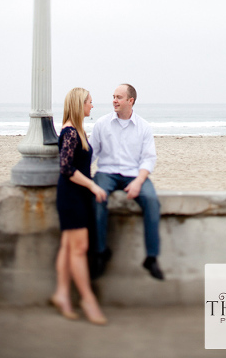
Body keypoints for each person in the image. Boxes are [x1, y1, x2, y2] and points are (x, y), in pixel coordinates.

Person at [90, 83, 164, 280]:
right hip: (106, 172)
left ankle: (151, 257)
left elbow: (149, 158)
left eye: (119, 97)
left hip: (134, 174)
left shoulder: (144, 127)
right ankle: (99, 252)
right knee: (97, 198)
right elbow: (91, 153)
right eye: (113, 96)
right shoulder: (102, 124)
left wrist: (139, 182)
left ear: (130, 101)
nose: (114, 100)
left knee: (151, 200)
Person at [51, 87, 108, 325]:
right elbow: (66, 169)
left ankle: (62, 294)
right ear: (79, 104)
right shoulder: (71, 132)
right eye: (90, 102)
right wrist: (94, 186)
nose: (92, 106)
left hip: (75, 195)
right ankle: (87, 299)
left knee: (67, 247)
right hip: (72, 197)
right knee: (78, 248)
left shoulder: (74, 130)